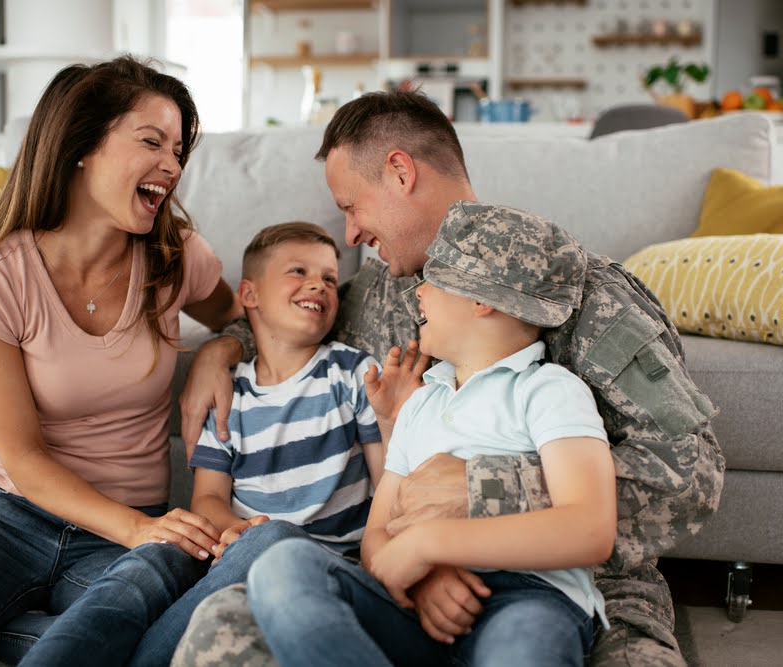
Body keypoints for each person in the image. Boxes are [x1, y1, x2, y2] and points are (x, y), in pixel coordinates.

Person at [178, 89, 724, 666]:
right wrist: (223, 347)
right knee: (225, 634)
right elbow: (291, 320)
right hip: (405, 575)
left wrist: (482, 493)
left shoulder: (581, 296)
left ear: (399, 172)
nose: (351, 233)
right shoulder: (380, 292)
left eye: (352, 205)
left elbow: (691, 474)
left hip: (576, 585)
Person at [0, 56, 243, 666]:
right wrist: (137, 532)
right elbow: (22, 457)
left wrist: (219, 350)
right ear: (81, 146)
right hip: (5, 514)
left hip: (126, 529)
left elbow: (241, 317)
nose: (173, 166)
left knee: (174, 633)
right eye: (151, 141)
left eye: (179, 150)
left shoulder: (174, 258)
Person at [247, 202, 618, 666]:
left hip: (529, 597)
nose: (417, 293)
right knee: (282, 567)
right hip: (413, 604)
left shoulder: (549, 389)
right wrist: (422, 577)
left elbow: (589, 528)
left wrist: (428, 544)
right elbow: (376, 538)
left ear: (481, 298)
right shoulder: (420, 403)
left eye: (434, 279)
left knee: (522, 650)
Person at [19, 222, 385, 666]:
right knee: (191, 556)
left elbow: (388, 485)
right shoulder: (229, 394)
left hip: (329, 570)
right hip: (238, 561)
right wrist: (239, 537)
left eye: (330, 277)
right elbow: (208, 499)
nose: (319, 284)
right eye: (298, 271)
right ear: (248, 295)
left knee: (276, 541)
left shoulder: (352, 374)